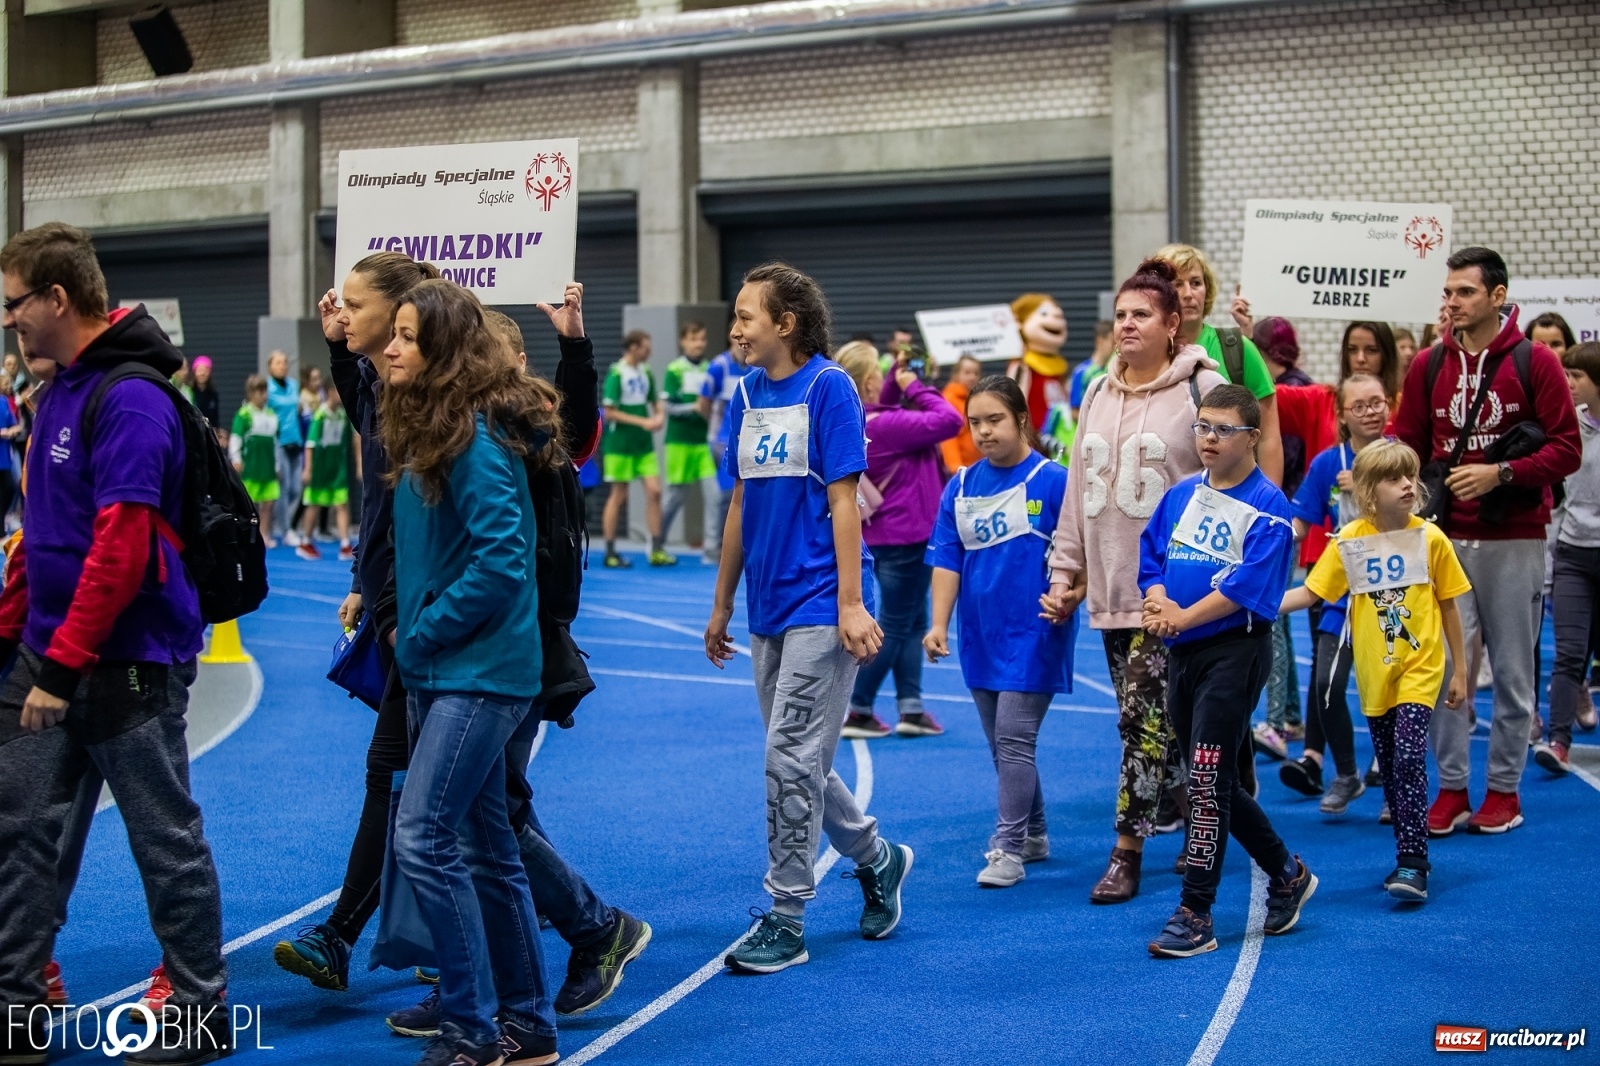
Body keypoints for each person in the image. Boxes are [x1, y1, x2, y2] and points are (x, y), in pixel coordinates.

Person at [0, 221, 230, 1063]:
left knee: (162, 840)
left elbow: (121, 547)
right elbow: (44, 539)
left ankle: (201, 1011)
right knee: (19, 833)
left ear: (57, 299)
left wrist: (58, 666)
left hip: (127, 663)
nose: (9, 320)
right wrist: (15, 642)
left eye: (15, 304)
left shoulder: (130, 398)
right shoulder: (56, 391)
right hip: (49, 654)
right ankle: (15, 1011)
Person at [705, 262, 913, 974]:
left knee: (788, 760)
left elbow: (844, 500)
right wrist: (722, 602)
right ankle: (877, 858)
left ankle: (786, 915)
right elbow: (738, 502)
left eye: (745, 315)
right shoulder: (746, 393)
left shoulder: (829, 389)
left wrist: (852, 603)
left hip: (822, 605)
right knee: (800, 759)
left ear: (785, 324)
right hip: (767, 609)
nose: (734, 328)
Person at [375, 278, 560, 1066]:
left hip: (478, 673)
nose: (390, 344)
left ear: (442, 351)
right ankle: (527, 1025)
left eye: (407, 335)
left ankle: (471, 1030)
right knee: (488, 849)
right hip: (444, 670)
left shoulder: (476, 442)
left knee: (422, 836)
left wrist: (421, 634)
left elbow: (502, 563)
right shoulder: (428, 430)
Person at [1042, 258, 1225, 905]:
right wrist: (1065, 572)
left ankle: (1127, 851)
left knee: (1141, 722)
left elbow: (1229, 480)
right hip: (1111, 589)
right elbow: (1074, 490)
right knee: (1153, 720)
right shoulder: (1094, 392)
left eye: (1141, 314)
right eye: (1120, 314)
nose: (1127, 324)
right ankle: (1193, 809)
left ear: (1174, 324)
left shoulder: (1202, 385)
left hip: (1174, 592)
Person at [1392, 246, 1582, 835]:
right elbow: (1407, 443)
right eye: (1447, 293)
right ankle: (1451, 788)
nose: (1451, 303)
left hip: (1515, 537)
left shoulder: (1536, 362)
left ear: (1497, 297)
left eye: (1464, 293)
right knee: (1443, 666)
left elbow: (1567, 449)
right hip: (1444, 540)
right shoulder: (1428, 365)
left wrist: (1500, 473)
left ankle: (1503, 789)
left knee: (1511, 669)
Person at [1138, 383, 1315, 957]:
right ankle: (1287, 873)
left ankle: (1196, 911)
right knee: (1215, 778)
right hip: (1182, 652)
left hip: (1233, 655)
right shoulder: (1183, 493)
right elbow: (1153, 555)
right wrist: (1159, 600)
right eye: (1202, 427)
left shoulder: (1270, 508)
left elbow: (1248, 589)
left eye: (1222, 430)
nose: (1208, 439)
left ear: (1252, 437)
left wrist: (1182, 615)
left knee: (1207, 781)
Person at [1283, 441, 1471, 902]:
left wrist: (1460, 672)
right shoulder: (1349, 541)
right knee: (1389, 765)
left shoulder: (1432, 539)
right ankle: (1404, 853)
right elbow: (1309, 594)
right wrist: (1251, 605)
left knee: (1408, 757)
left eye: (1410, 476)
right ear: (1368, 492)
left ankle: (1413, 863)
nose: (1408, 485)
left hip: (1421, 667)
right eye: (1394, 478)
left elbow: (1450, 608)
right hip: (1374, 673)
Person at [923, 375, 1073, 887]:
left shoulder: (1054, 481)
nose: (984, 432)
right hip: (980, 635)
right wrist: (939, 623)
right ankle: (1034, 833)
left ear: (1022, 421)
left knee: (1013, 740)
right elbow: (947, 559)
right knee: (1001, 745)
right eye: (975, 423)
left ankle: (1007, 849)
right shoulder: (960, 485)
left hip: (1035, 632)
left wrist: (1072, 593)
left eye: (995, 420)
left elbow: (1083, 551)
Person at [834, 341, 963, 739]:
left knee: (912, 621)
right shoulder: (888, 426)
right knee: (894, 621)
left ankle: (911, 707)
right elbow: (950, 419)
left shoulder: (861, 418)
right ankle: (857, 708)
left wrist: (899, 377)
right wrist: (915, 385)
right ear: (868, 379)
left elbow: (886, 401)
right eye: (881, 371)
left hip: (888, 530)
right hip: (907, 532)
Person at [1279, 374, 1393, 814]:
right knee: (1327, 684)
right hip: (1342, 593)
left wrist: (1368, 488)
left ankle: (1396, 785)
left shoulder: (1400, 456)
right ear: (1343, 414)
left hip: (1391, 595)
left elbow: (1415, 511)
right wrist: (1261, 543)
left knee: (1388, 695)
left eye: (1377, 402)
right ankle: (1347, 774)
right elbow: (1300, 523)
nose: (1369, 412)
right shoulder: (1328, 463)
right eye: (1359, 405)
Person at [1153, 243, 1285, 485]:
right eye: (1177, 284)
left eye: (1195, 283)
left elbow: (1268, 438)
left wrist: (1269, 507)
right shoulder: (1147, 354)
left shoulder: (1238, 348)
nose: (1188, 294)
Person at [1535, 341, 1600, 774]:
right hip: (1575, 553)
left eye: (1577, 376)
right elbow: (1556, 496)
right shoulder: (1568, 426)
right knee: (1570, 652)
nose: (1569, 383)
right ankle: (1557, 740)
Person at [602, 330, 674, 568]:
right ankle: (610, 551)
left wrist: (660, 415)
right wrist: (643, 422)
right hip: (620, 445)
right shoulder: (617, 373)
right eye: (645, 347)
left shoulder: (646, 372)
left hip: (643, 446)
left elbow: (655, 401)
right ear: (632, 347)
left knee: (654, 492)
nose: (649, 351)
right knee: (618, 496)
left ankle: (655, 548)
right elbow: (609, 411)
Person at [659, 321, 716, 549]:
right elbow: (667, 407)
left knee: (714, 496)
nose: (698, 344)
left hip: (704, 443)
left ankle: (712, 548)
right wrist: (693, 408)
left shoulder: (710, 369)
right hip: (679, 442)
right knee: (674, 498)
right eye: (693, 339)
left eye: (702, 339)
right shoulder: (674, 370)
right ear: (683, 342)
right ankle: (657, 541)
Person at [698, 320, 750, 563]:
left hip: (746, 440)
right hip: (720, 440)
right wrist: (716, 431)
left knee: (742, 496)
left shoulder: (754, 366)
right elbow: (703, 402)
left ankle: (738, 547)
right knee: (723, 497)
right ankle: (716, 548)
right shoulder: (718, 366)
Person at [296, 387, 353, 562]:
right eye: (337, 392)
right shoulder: (320, 415)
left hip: (337, 468)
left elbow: (351, 441)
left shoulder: (343, 416)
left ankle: (345, 544)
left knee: (342, 503)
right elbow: (310, 444)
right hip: (319, 469)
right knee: (314, 504)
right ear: (329, 393)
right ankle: (306, 541)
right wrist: (308, 469)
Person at [231, 374, 280, 547]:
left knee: (268, 503)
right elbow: (236, 439)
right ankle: (246, 533)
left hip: (267, 466)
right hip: (250, 466)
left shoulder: (271, 414)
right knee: (249, 504)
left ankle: (264, 533)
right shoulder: (243, 414)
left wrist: (277, 464)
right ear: (250, 393)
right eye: (258, 391)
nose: (262, 395)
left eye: (264, 391)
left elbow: (275, 442)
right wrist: (236, 459)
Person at [1006, 293, 1069, 430]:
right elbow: (1014, 399)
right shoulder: (1022, 366)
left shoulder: (1060, 366)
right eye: (1044, 314)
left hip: (1060, 433)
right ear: (1020, 323)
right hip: (1034, 434)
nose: (1057, 317)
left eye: (1060, 315)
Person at [266, 349, 306, 547]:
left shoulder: (293, 385)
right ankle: (286, 529)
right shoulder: (267, 389)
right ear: (270, 366)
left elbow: (298, 408)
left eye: (284, 362)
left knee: (295, 488)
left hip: (295, 441)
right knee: (283, 488)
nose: (282, 366)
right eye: (278, 363)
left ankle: (283, 523)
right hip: (278, 442)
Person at [939, 354, 985, 472]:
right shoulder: (949, 400)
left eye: (976, 373)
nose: (972, 377)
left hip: (976, 468)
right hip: (961, 471)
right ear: (956, 375)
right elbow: (948, 438)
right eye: (967, 373)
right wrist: (956, 467)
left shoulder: (977, 399)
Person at [190, 355, 221, 435]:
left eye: (205, 370)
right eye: (199, 370)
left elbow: (215, 419)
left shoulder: (213, 395)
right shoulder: (189, 392)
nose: (202, 373)